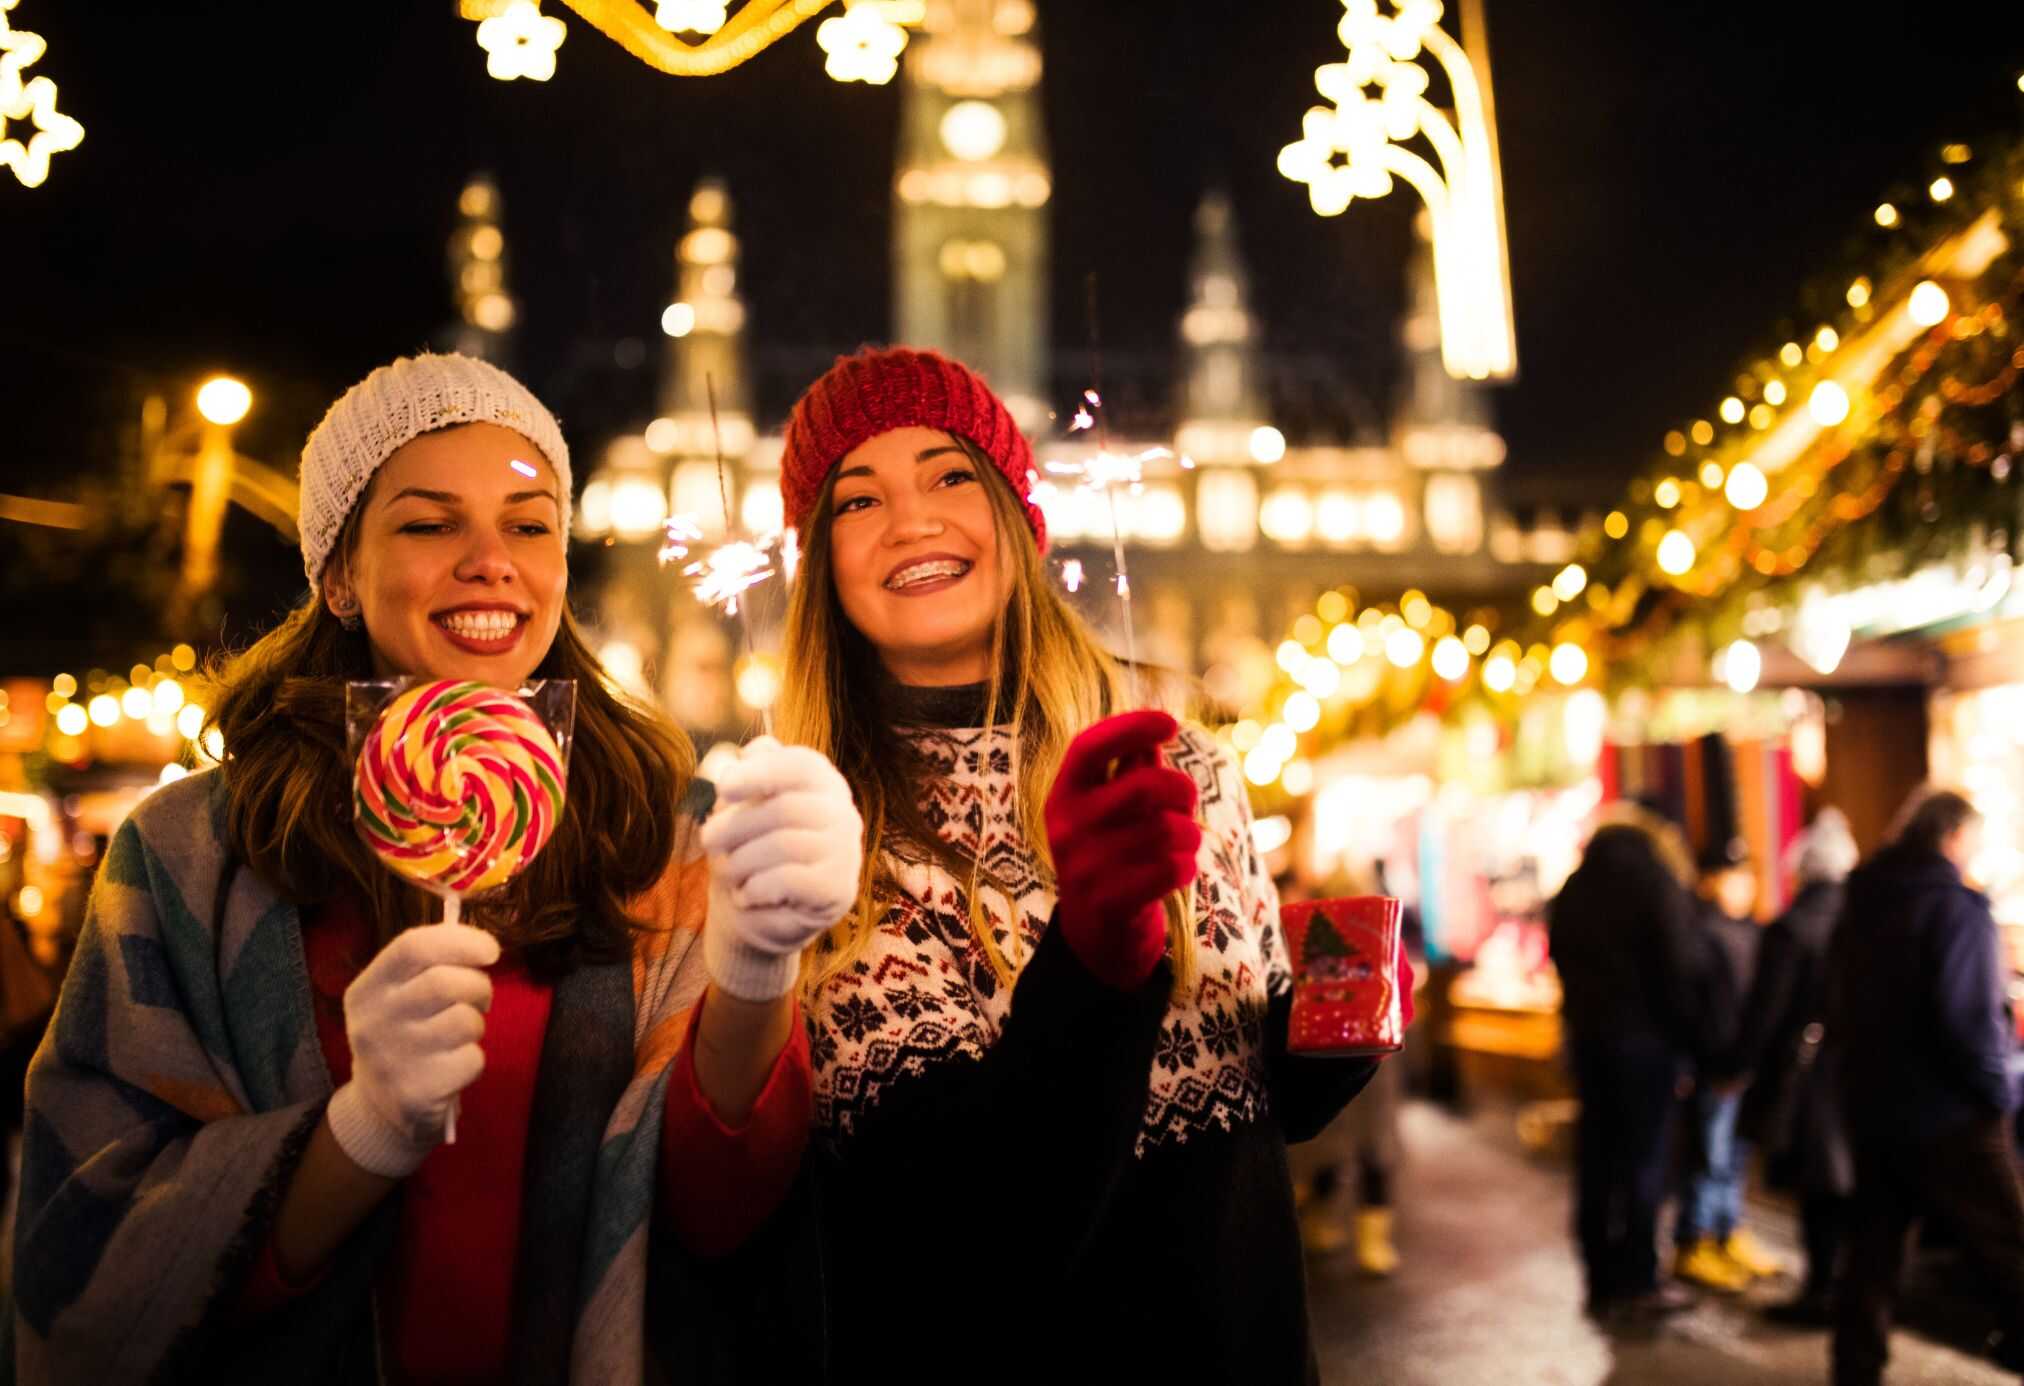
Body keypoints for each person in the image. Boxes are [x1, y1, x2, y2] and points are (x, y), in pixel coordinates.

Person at [11, 353, 858, 1382]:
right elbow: (82, 1269)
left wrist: (758, 969)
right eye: (428, 523)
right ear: (336, 573)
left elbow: (724, 1215)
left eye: (529, 522)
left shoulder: (666, 839)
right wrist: (359, 1133)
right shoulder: (188, 857)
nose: (491, 559)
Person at [708, 345, 1404, 1381]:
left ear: (1018, 514)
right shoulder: (816, 829)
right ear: (818, 562)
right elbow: (970, 1239)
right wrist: (1093, 954)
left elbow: (1243, 1103)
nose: (912, 522)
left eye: (951, 475)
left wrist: (1333, 1022)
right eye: (857, 502)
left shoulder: (1180, 757)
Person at [1829, 788, 2024, 1386]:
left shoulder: (1861, 900)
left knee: (1873, 1252)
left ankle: (1856, 1370)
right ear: (1953, 837)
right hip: (1951, 1114)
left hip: (1876, 1105)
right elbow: (1967, 1019)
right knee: (2010, 1247)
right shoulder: (1954, 908)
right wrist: (1998, 1092)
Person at [1548, 806, 1709, 1324]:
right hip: (1647, 1045)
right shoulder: (1655, 882)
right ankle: (1639, 1278)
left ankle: (1599, 1277)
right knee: (1644, 1159)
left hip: (1590, 1043)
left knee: (1596, 1158)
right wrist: (1690, 1038)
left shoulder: (1574, 887)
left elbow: (1560, 960)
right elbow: (1678, 969)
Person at [1732, 808, 1859, 1325]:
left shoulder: (1792, 928)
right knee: (1846, 1182)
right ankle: (1845, 1288)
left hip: (1805, 1072)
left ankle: (1822, 1288)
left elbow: (1766, 1011)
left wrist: (1739, 1065)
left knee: (1817, 1186)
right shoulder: (1864, 921)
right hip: (1857, 1067)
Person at [1674, 834, 1785, 1292]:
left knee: (1734, 1155)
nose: (1741, 886)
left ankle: (1727, 1231)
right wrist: (1708, 1061)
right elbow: (1697, 1009)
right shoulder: (1697, 934)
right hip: (1713, 1066)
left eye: (1745, 876)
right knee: (1709, 1155)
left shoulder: (1755, 932)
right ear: (1708, 881)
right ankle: (1694, 1241)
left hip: (1746, 1063)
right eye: (1731, 876)